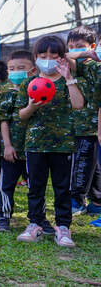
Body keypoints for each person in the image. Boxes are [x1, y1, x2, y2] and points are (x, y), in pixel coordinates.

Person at [16, 35, 84, 247]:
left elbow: (78, 104)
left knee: (62, 188)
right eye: (42, 55)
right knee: (35, 186)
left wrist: (69, 78)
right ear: (35, 57)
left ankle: (63, 227)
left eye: (53, 56)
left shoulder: (68, 80)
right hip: (35, 145)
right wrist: (32, 107)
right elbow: (22, 115)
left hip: (63, 145)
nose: (47, 59)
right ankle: (35, 224)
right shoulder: (29, 83)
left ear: (61, 58)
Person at [0, 50, 35, 232]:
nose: (16, 71)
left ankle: (37, 218)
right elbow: (3, 122)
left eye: (21, 68)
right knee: (6, 185)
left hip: (34, 151)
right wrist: (8, 146)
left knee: (36, 186)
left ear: (32, 70)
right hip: (12, 151)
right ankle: (3, 216)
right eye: (12, 68)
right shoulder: (6, 94)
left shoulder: (38, 90)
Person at [65, 26, 101, 216]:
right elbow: (64, 57)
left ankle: (77, 201)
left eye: (79, 46)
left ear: (92, 47)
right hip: (83, 126)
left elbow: (65, 57)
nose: (73, 50)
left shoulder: (90, 65)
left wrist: (86, 54)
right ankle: (96, 202)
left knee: (82, 164)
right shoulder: (79, 65)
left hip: (88, 127)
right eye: (70, 46)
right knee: (91, 165)